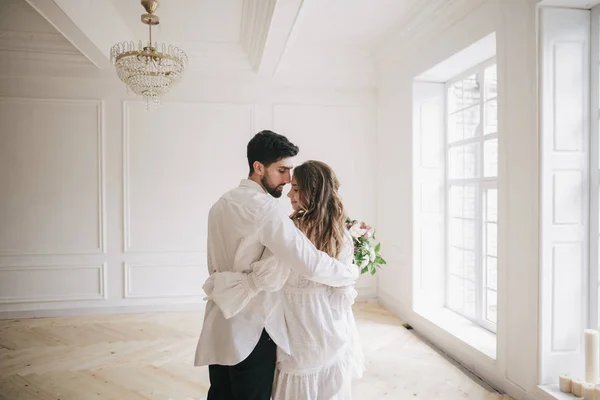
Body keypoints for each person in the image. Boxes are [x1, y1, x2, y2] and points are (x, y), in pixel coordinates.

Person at [194, 131, 358, 400]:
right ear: (258, 167)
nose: (287, 179)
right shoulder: (265, 210)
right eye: (282, 170)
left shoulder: (220, 205)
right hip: (254, 328)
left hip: (219, 319)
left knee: (221, 393)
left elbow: (214, 263)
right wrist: (349, 273)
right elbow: (309, 262)